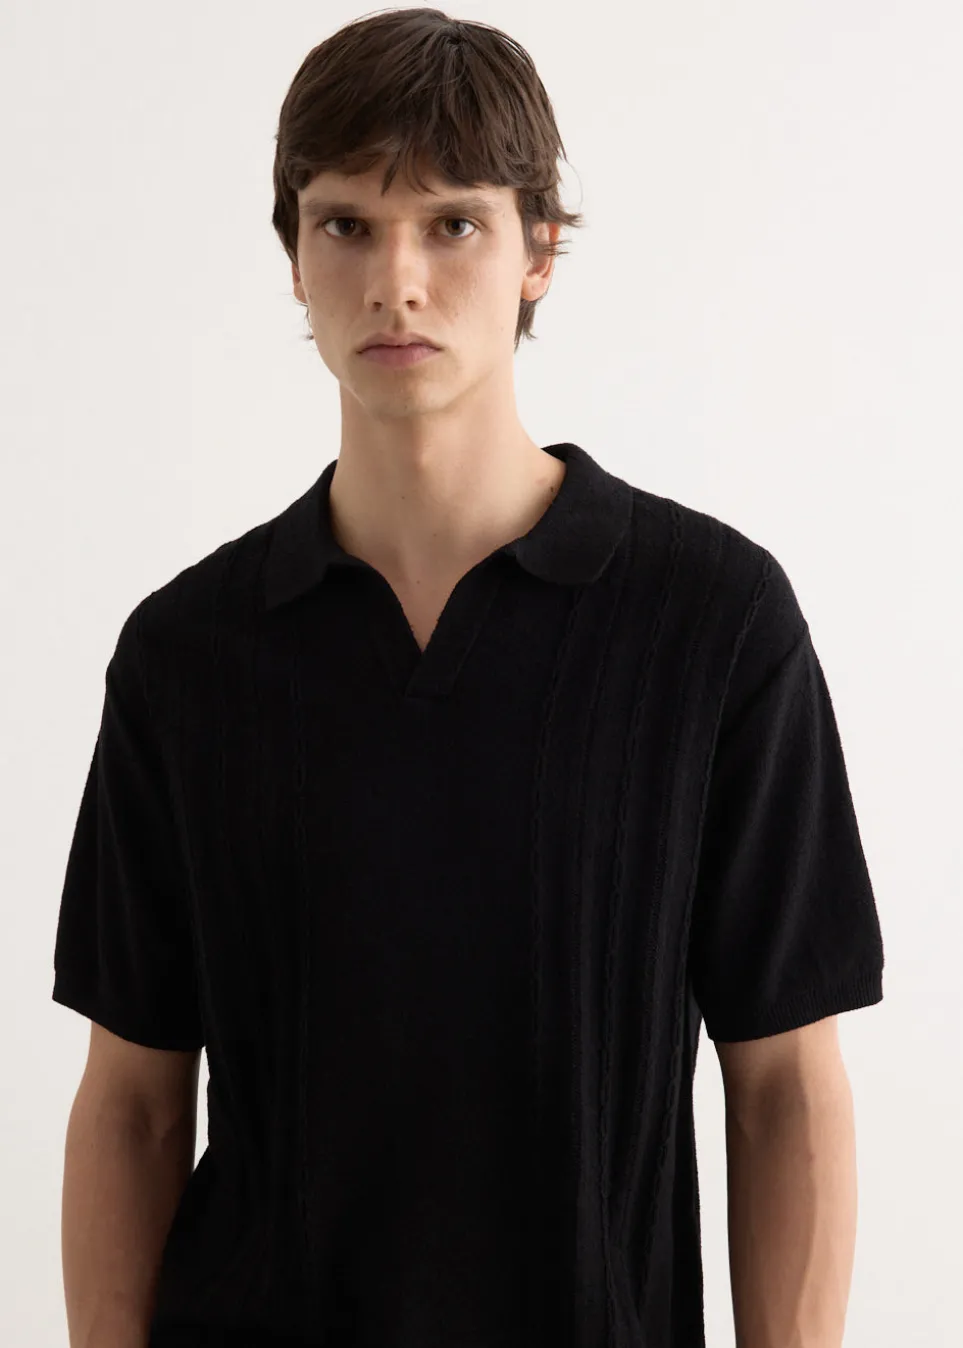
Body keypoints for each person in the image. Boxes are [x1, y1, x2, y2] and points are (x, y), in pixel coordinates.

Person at [52, 10, 885, 1348]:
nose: (396, 281)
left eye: (451, 223)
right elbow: (134, 1099)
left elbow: (784, 1074)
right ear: (292, 256)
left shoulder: (712, 622)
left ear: (538, 249)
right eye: (345, 224)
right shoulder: (187, 654)